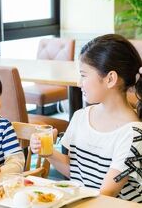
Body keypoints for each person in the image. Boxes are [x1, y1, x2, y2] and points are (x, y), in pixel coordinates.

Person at [31, 34, 142, 202]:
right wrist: (47, 151)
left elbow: (107, 194)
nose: (79, 82)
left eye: (84, 75)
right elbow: (74, 170)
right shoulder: (81, 117)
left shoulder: (133, 134)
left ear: (110, 79)